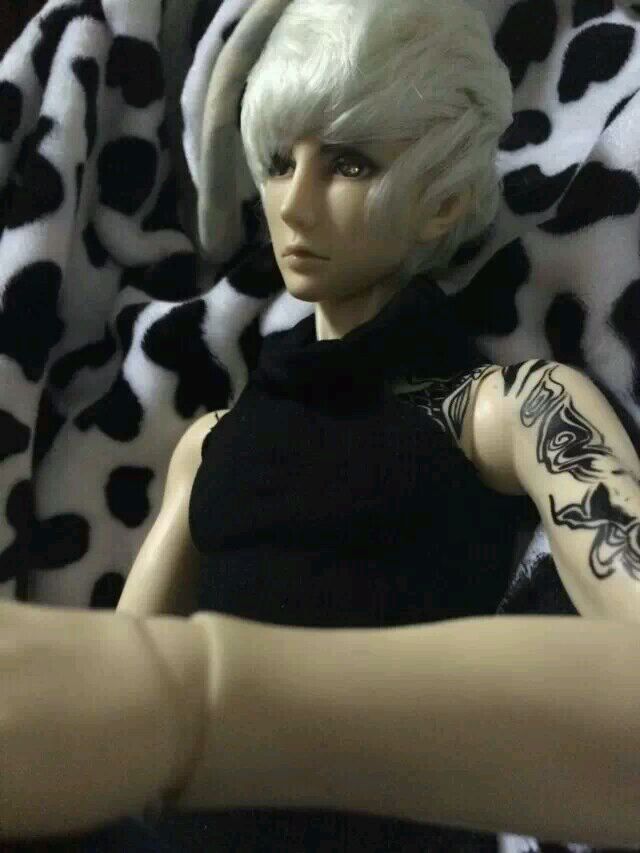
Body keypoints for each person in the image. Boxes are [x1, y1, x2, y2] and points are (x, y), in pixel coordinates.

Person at [3, 0, 640, 850]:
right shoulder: (211, 444)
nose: (294, 206)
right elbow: (97, 706)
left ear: (445, 201)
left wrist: (205, 700)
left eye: (348, 162)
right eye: (277, 162)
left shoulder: (512, 409)